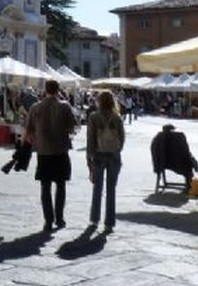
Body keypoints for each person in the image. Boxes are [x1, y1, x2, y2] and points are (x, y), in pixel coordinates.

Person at [24, 79, 77, 234]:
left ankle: (48, 220)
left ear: (45, 90)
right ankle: (59, 218)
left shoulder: (36, 108)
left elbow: (28, 130)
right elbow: (72, 126)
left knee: (45, 186)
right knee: (61, 185)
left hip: (43, 151)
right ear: (58, 90)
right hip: (61, 150)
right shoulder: (65, 107)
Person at [86, 89, 125, 233]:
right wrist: (116, 150)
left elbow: (90, 140)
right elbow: (122, 138)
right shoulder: (117, 117)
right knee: (111, 190)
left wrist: (89, 160)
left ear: (99, 101)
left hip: (98, 155)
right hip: (114, 156)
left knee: (97, 189)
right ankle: (109, 223)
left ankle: (94, 219)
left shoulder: (94, 117)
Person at [150, 123, 198, 192]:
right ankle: (197, 168)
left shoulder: (158, 138)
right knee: (188, 160)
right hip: (176, 162)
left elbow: (153, 149)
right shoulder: (177, 137)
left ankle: (197, 167)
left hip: (162, 162)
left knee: (188, 157)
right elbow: (185, 151)